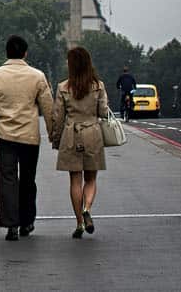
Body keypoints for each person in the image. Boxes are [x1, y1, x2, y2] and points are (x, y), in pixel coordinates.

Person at [0, 34, 55, 241]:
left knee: (7, 179)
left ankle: (11, 225)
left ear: (6, 53)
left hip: (5, 135)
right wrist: (52, 133)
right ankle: (27, 221)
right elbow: (48, 108)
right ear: (25, 53)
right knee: (28, 180)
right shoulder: (37, 76)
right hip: (29, 135)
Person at [50, 45, 108, 239]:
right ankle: (87, 208)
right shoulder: (98, 86)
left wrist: (56, 139)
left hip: (71, 134)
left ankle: (79, 223)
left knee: (75, 180)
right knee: (91, 178)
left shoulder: (63, 87)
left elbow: (58, 117)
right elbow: (103, 112)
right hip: (92, 133)